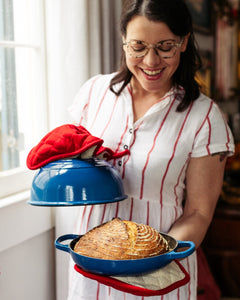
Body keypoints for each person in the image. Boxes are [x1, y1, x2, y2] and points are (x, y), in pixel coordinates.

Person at [67, 0, 235, 299]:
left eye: (165, 46)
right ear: (124, 42)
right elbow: (70, 167)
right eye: (138, 46)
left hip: (160, 274)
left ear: (183, 42)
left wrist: (148, 259)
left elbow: (198, 213)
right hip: (92, 267)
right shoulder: (94, 93)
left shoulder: (204, 115)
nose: (151, 60)